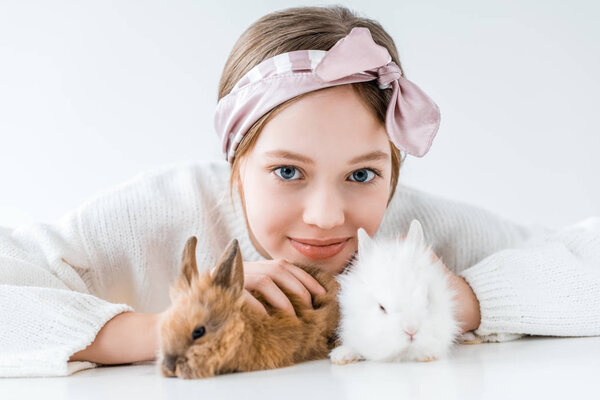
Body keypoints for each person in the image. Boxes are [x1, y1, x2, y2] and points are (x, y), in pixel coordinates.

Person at [1, 5, 599, 378]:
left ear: (394, 169)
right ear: (237, 162)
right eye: (288, 172)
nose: (326, 216)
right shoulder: (162, 211)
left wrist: (458, 298)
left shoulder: (409, 237)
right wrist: (178, 326)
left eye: (362, 175)